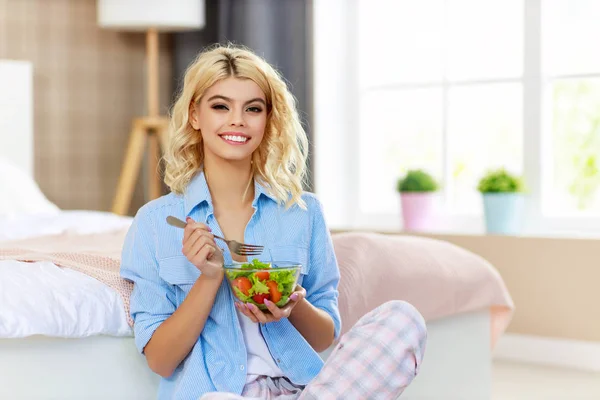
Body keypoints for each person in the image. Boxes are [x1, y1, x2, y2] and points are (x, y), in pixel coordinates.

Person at [120, 44, 427, 400]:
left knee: (402, 320)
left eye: (253, 108)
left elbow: (324, 336)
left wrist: (292, 304)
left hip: (304, 390)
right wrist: (209, 280)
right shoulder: (154, 223)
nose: (237, 120)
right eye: (220, 106)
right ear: (194, 116)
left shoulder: (304, 212)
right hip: (217, 394)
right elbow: (160, 360)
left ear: (268, 120)